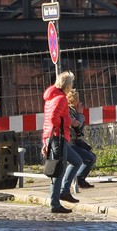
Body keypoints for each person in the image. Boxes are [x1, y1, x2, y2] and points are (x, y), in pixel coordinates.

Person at [41, 71, 83, 214]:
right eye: (71, 83)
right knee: (58, 170)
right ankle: (55, 203)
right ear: (67, 85)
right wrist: (65, 123)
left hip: (53, 136)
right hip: (58, 137)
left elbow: (48, 120)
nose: (72, 86)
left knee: (77, 161)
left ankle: (64, 191)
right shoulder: (61, 99)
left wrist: (45, 141)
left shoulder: (52, 97)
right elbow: (53, 119)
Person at [65, 86, 96, 193]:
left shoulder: (73, 111)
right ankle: (79, 178)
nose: (79, 101)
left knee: (92, 156)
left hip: (75, 141)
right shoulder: (70, 111)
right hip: (70, 143)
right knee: (88, 158)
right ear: (73, 100)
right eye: (77, 99)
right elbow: (78, 126)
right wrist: (80, 114)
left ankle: (81, 178)